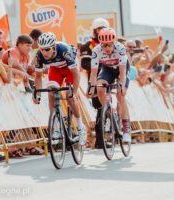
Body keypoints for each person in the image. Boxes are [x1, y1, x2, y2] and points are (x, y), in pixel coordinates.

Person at [33, 32, 87, 145]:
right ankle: (56, 128)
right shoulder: (39, 55)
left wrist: (75, 91)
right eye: (42, 49)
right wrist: (37, 94)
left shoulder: (63, 50)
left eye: (47, 49)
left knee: (70, 97)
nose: (44, 52)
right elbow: (38, 76)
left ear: (54, 47)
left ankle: (81, 127)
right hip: (55, 69)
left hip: (70, 69)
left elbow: (76, 74)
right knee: (51, 93)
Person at [87, 28, 131, 142]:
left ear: (114, 43)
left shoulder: (120, 48)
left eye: (109, 45)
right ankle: (109, 113)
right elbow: (94, 73)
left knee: (120, 96)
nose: (106, 48)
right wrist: (91, 87)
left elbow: (122, 72)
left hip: (121, 69)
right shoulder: (96, 50)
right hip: (107, 69)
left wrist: (121, 85)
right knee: (99, 87)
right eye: (104, 45)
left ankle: (126, 129)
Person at [80, 17, 110, 148]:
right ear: (95, 31)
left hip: (110, 81)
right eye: (98, 29)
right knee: (100, 110)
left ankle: (112, 135)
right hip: (95, 82)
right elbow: (85, 63)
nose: (101, 31)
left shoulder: (112, 44)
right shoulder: (88, 45)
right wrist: (102, 65)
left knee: (110, 110)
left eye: (103, 28)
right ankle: (99, 141)